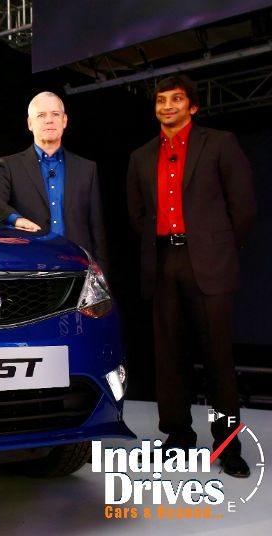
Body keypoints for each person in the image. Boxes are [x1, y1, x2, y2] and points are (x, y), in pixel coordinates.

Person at [126, 74, 256, 477]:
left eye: (176, 99)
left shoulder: (219, 143)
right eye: (161, 100)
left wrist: (219, 248)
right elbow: (137, 215)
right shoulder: (141, 156)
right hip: (164, 262)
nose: (167, 106)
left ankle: (228, 445)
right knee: (170, 359)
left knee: (218, 360)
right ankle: (179, 436)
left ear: (193, 106)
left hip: (209, 263)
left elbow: (243, 207)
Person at [0, 91, 108, 269]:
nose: (49, 120)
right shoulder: (11, 165)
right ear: (30, 123)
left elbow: (97, 229)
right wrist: (17, 220)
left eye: (55, 114)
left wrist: (101, 273)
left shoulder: (87, 168)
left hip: (78, 265)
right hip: (31, 263)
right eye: (41, 115)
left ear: (64, 121)